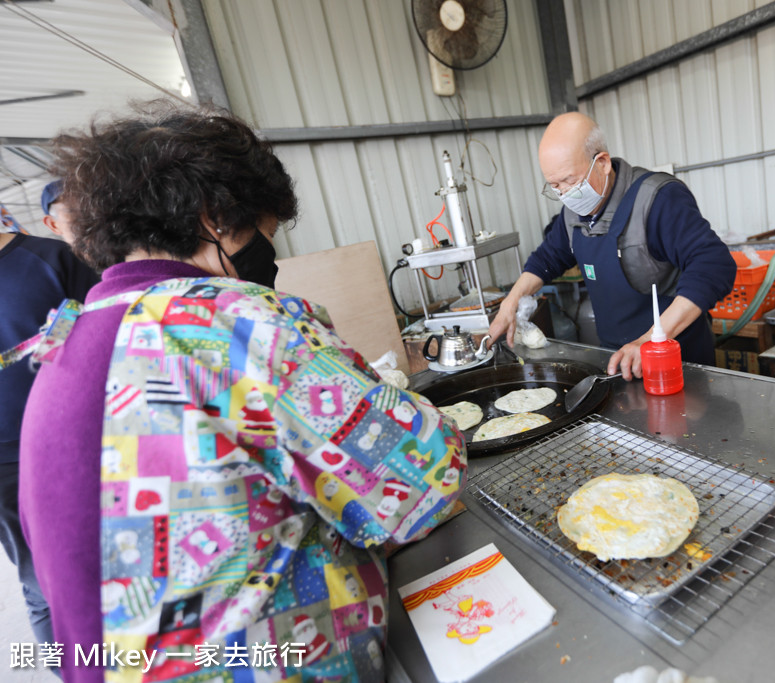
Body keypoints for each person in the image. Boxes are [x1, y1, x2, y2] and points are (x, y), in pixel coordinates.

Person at [17, 102, 467, 682]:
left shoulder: (67, 343)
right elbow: (423, 479)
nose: (268, 259)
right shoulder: (230, 322)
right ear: (213, 217)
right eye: (263, 235)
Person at [489, 112, 736, 378]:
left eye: (571, 181)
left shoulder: (657, 199)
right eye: (555, 186)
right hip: (617, 361)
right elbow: (546, 259)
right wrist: (509, 304)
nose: (565, 194)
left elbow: (713, 264)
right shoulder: (572, 214)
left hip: (679, 361)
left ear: (603, 162)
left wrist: (652, 340)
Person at [0, 225, 98, 651]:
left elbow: (101, 338)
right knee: (39, 582)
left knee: (99, 562)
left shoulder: (51, 259)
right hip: (2, 468)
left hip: (71, 440)